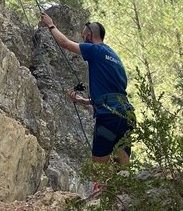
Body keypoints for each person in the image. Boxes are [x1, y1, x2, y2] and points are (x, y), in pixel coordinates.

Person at [40, 12, 135, 170]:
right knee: (122, 166)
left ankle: (102, 191)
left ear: (90, 36)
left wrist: (51, 24)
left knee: (99, 166)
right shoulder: (114, 57)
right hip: (126, 116)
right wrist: (83, 101)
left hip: (109, 117)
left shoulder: (95, 50)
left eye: (83, 36)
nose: (82, 39)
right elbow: (114, 93)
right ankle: (126, 191)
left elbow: (65, 43)